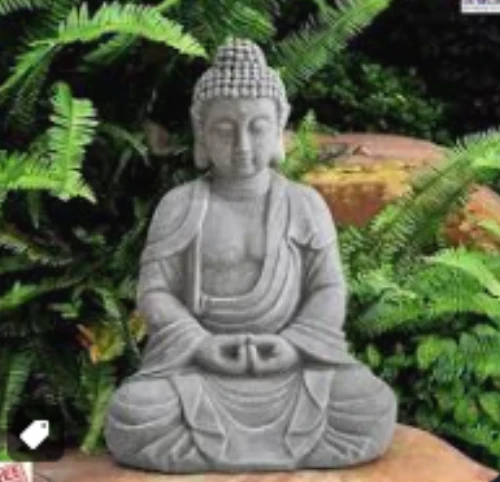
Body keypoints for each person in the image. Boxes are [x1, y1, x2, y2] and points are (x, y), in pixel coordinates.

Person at [104, 38, 397, 473]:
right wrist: (201, 344)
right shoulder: (181, 205)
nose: (242, 144)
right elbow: (155, 292)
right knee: (135, 411)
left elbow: (328, 288)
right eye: (224, 129)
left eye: (257, 127)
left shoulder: (304, 204)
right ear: (202, 133)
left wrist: (292, 345)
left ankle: (213, 452)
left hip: (290, 368)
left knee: (369, 404)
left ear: (279, 128)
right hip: (200, 370)